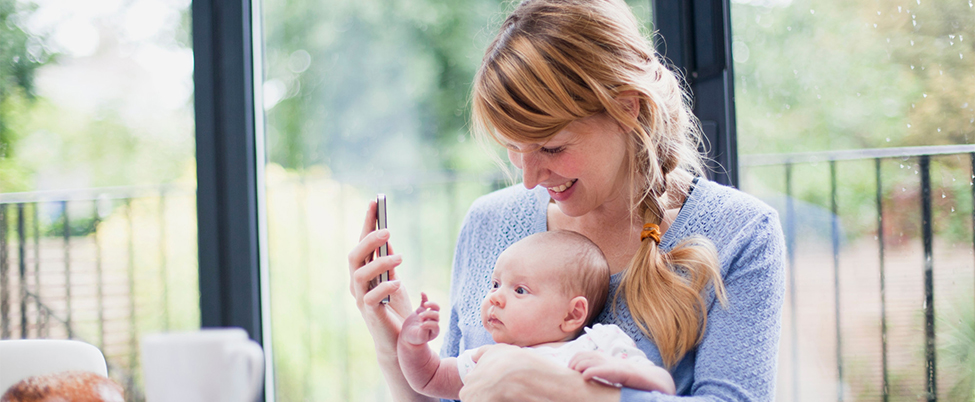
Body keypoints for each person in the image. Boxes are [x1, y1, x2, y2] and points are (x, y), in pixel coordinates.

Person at [347, 0, 786, 400]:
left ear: (627, 107)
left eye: (552, 148)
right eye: (513, 149)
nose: (529, 179)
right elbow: (453, 391)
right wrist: (392, 341)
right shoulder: (490, 222)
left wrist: (571, 391)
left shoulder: (740, 233)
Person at [397, 230, 676, 400]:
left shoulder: (599, 344)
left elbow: (664, 388)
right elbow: (429, 379)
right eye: (495, 284)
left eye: (519, 290)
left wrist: (624, 372)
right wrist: (412, 344)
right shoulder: (493, 358)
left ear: (572, 314)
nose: (494, 297)